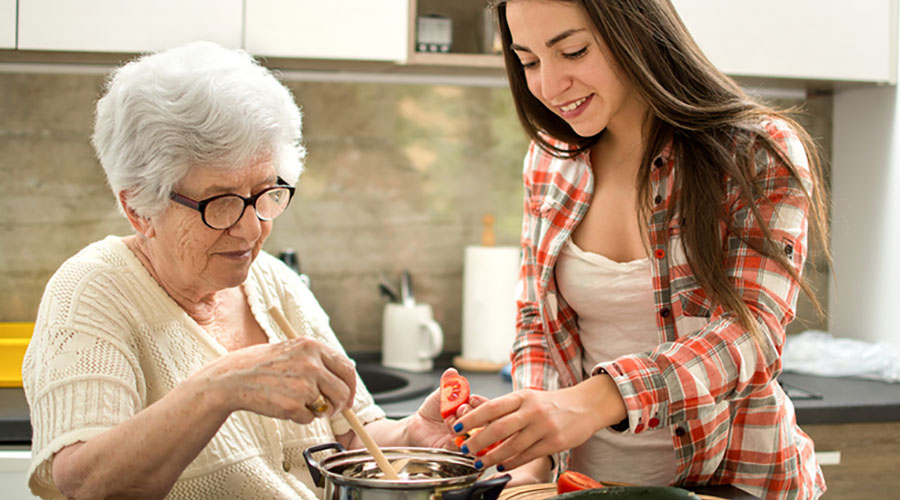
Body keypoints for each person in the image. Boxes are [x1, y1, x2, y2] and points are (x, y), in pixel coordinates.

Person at [22, 41, 463, 500]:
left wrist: (414, 438)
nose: (252, 227)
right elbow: (86, 486)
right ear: (139, 209)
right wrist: (221, 387)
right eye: (222, 201)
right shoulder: (93, 291)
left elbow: (351, 439)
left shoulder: (274, 283)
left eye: (265, 192)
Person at [452, 1, 829, 499]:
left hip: (734, 484)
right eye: (529, 61)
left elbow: (750, 337)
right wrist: (530, 459)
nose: (547, 85)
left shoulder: (756, 151)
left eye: (572, 51)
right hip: (582, 488)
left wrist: (596, 400)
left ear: (637, 29)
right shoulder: (550, 159)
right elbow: (537, 327)